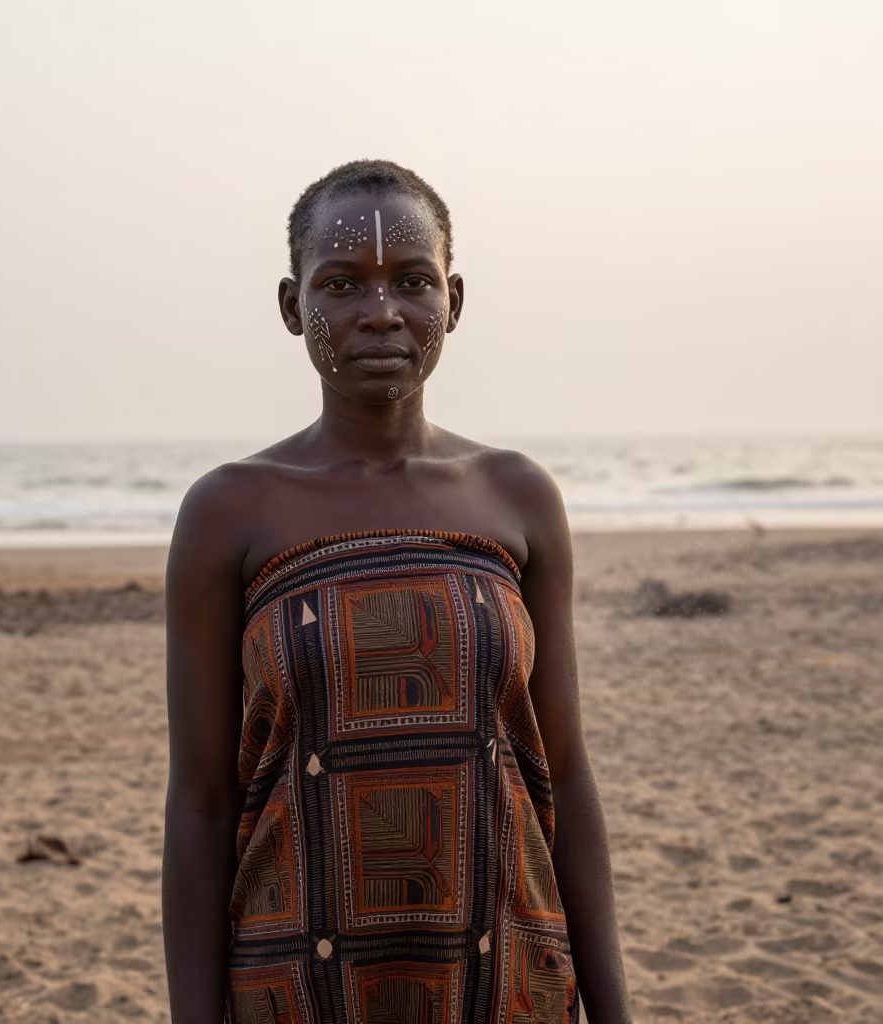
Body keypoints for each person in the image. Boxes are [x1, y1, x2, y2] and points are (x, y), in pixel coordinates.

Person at [162, 160, 630, 1023]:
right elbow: (198, 801)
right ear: (291, 305)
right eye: (342, 283)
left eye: (412, 281)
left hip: (506, 983)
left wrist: (613, 1011)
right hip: (298, 988)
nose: (380, 311)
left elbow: (562, 772)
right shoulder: (229, 510)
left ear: (453, 300)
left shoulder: (517, 496)